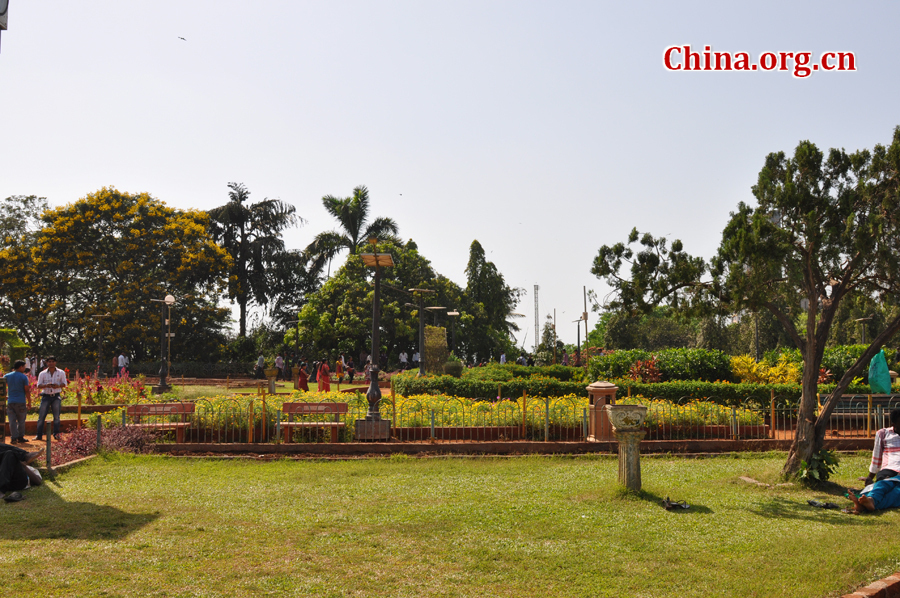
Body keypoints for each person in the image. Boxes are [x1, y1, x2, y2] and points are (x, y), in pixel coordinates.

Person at [863, 408, 900, 486]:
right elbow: (877, 458)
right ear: (894, 424)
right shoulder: (883, 434)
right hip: (890, 469)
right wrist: (870, 477)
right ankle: (871, 496)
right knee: (882, 482)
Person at [34, 356, 66, 442]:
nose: (51, 363)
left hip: (56, 395)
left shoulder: (61, 372)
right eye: (49, 362)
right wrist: (46, 385)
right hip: (46, 396)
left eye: (52, 361)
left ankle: (56, 434)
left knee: (56, 416)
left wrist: (58, 385)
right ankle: (39, 434)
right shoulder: (42, 373)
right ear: (47, 363)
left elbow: (64, 384)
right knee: (41, 416)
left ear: (55, 362)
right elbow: (38, 385)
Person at [4, 360, 30, 444]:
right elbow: (26, 390)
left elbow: (2, 386)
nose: (24, 368)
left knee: (12, 421)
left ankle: (14, 438)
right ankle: (20, 437)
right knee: (21, 421)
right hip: (20, 401)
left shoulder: (7, 376)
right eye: (24, 366)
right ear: (20, 367)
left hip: (10, 401)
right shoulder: (23, 377)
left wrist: (4, 396)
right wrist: (29, 402)